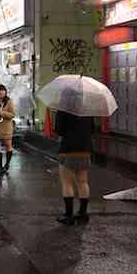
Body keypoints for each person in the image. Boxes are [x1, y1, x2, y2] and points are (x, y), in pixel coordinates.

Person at [54, 90, 94, 226]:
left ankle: (69, 215)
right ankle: (83, 213)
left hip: (68, 150)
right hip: (85, 149)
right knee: (83, 182)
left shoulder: (63, 110)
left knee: (67, 182)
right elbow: (92, 129)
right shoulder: (87, 110)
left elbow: (59, 130)